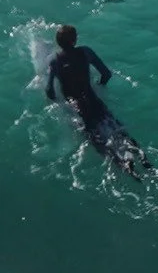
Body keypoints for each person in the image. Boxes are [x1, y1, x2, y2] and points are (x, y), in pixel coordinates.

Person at [44, 24, 150, 174]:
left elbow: (49, 90)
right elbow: (106, 74)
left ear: (58, 42)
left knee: (95, 137)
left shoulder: (54, 61)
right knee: (118, 130)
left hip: (75, 106)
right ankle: (144, 160)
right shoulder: (86, 52)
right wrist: (100, 87)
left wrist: (58, 103)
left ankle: (124, 167)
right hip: (93, 99)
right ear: (74, 41)